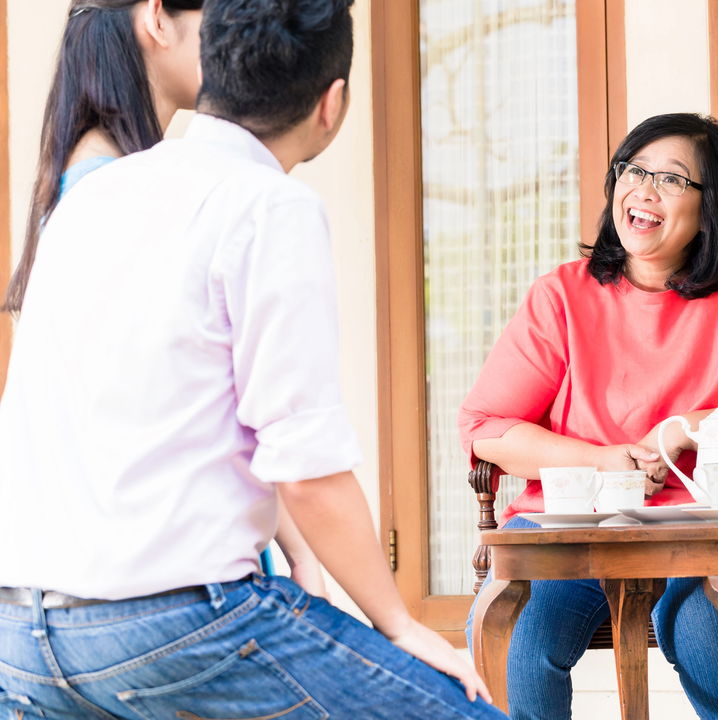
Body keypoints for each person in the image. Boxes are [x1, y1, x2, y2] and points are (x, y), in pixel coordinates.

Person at [0, 1, 504, 717]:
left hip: (20, 633)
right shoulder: (269, 207)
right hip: (175, 627)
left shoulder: (92, 193)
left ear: (214, 69)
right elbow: (305, 469)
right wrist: (398, 623)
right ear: (332, 105)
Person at [459, 112, 718, 720]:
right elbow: (486, 427)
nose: (644, 189)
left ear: (712, 205)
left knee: (712, 638)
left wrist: (686, 427)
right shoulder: (561, 296)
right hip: (571, 529)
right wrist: (602, 459)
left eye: (673, 179)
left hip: (709, 530)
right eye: (633, 170)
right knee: (514, 633)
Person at [5, 0, 324, 594]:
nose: (233, 38)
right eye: (218, 17)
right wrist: (302, 552)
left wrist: (297, 545)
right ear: (157, 18)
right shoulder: (115, 197)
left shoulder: (93, 187)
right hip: (162, 597)